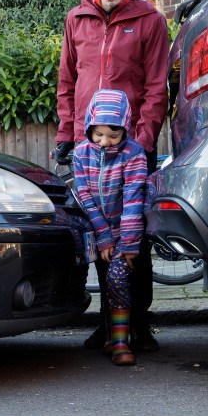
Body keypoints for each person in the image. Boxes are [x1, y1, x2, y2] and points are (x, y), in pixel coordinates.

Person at [54, 0, 169, 352]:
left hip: (130, 146)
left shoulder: (150, 20)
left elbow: (157, 87)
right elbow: (68, 82)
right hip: (92, 147)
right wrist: (66, 135)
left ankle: (140, 323)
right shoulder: (76, 19)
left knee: (133, 233)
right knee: (100, 234)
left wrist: (141, 140)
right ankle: (108, 325)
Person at [72, 89, 148, 366]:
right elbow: (85, 198)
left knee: (118, 279)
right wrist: (103, 237)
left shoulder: (134, 154)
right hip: (96, 232)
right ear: (90, 127)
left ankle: (120, 342)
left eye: (113, 136)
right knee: (109, 284)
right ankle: (111, 336)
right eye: (99, 134)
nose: (105, 142)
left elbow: (133, 199)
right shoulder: (81, 154)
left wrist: (128, 243)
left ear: (125, 128)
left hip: (127, 229)